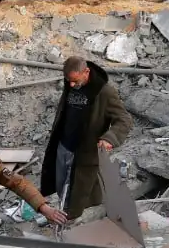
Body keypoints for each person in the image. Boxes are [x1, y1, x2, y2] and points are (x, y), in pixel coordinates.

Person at [40, 56, 133, 220]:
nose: (71, 85)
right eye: (69, 81)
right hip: (63, 145)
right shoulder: (72, 84)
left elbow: (124, 119)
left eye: (75, 81)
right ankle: (65, 209)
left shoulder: (104, 92)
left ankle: (72, 218)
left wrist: (110, 138)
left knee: (79, 188)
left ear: (86, 72)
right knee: (61, 184)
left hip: (84, 151)